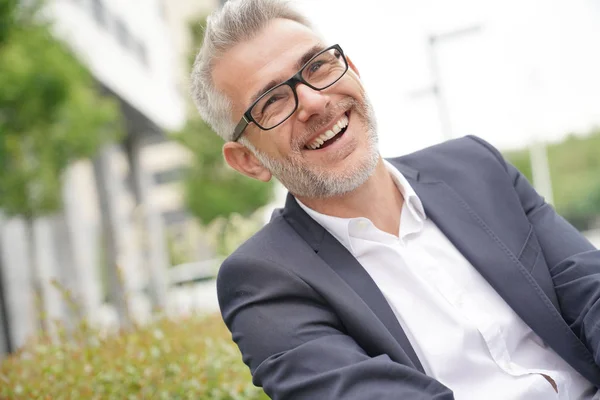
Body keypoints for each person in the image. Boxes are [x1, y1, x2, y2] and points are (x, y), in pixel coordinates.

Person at [190, 0, 600, 398]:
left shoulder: (477, 167)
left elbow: (591, 291)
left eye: (317, 66)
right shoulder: (261, 281)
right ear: (247, 161)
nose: (314, 102)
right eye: (272, 100)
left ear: (352, 68)